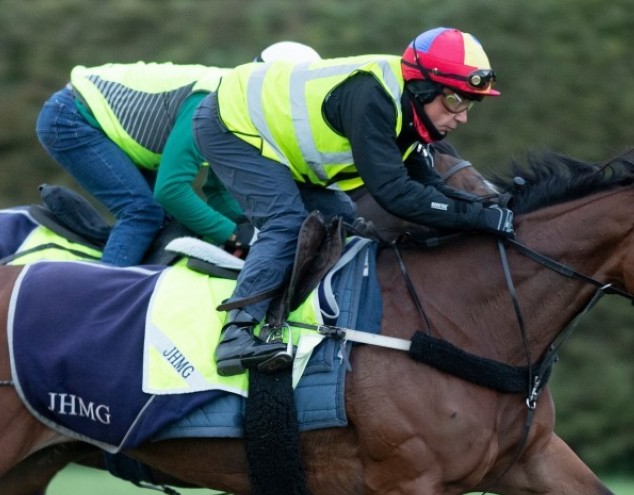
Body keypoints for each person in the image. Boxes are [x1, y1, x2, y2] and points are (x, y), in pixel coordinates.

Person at [193, 26, 513, 376]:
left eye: (470, 103)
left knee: (341, 214)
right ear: (423, 87)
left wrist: (489, 211)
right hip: (229, 120)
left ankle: (289, 313)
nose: (463, 116)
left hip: (274, 141)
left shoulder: (410, 109)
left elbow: (431, 186)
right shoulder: (373, 98)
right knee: (286, 221)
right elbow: (397, 195)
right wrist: (477, 219)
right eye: (455, 100)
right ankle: (235, 335)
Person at [35, 42, 320, 267]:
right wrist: (230, 235)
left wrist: (252, 233)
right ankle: (98, 302)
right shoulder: (213, 100)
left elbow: (219, 193)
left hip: (109, 129)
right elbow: (170, 190)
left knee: (170, 223)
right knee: (142, 212)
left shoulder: (243, 112)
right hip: (72, 117)